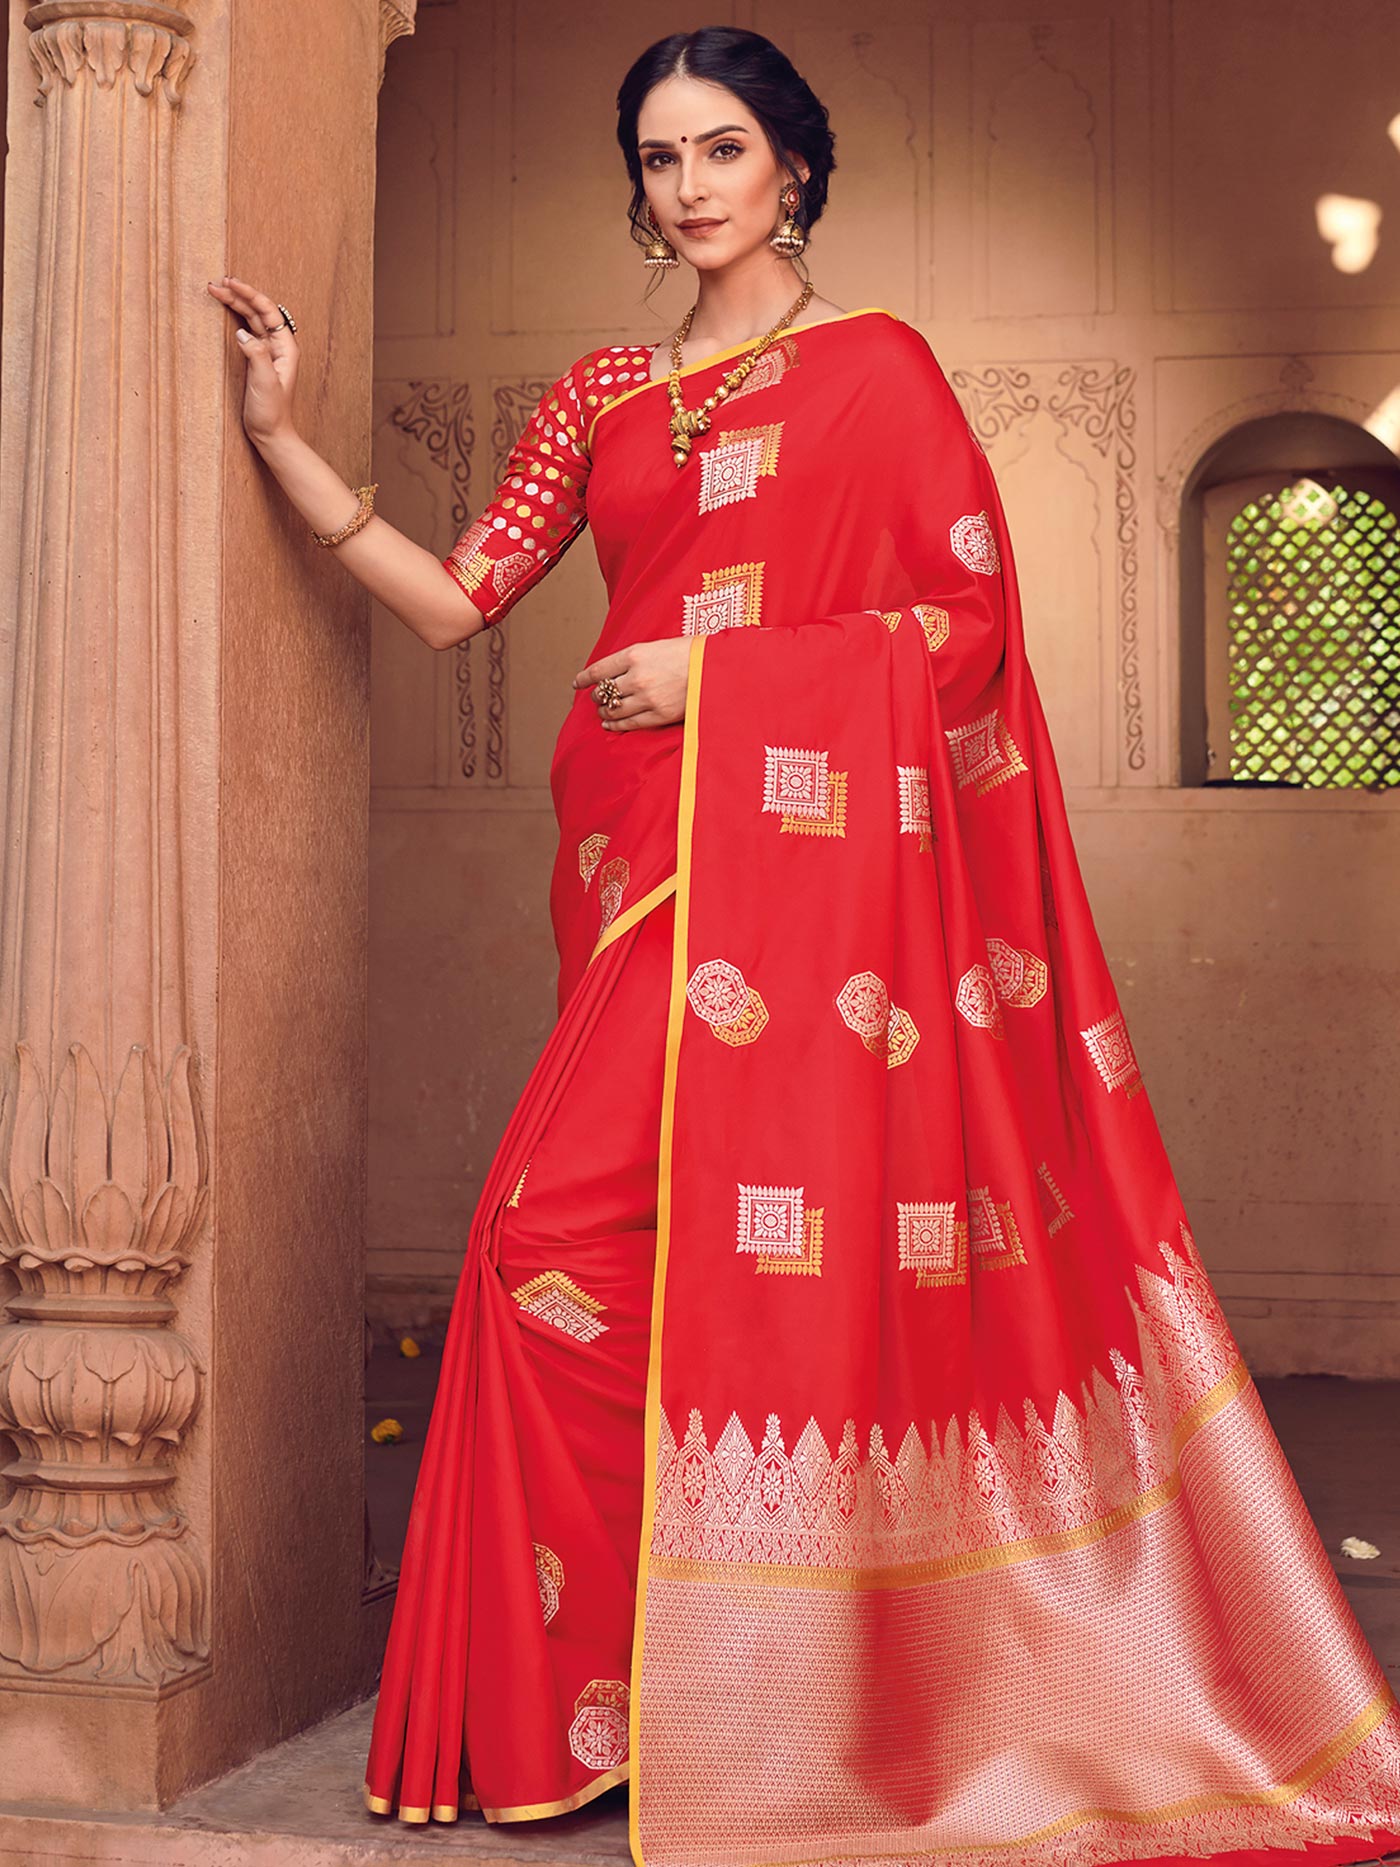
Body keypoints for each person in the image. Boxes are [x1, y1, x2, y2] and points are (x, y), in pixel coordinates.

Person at [208, 26, 1400, 1867]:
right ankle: (604, 1701)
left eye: (723, 151)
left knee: (718, 1275)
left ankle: (772, 1696)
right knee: (562, 1259)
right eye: (662, 156)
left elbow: (966, 632)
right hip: (636, 875)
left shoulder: (878, 372)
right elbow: (453, 600)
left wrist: (719, 673)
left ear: (797, 171)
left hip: (796, 880)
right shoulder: (602, 391)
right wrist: (283, 440)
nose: (689, 187)